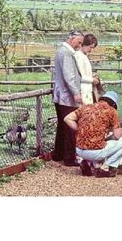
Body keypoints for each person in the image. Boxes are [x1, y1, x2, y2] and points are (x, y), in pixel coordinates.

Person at [64, 91, 122, 177]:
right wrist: (107, 138)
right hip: (95, 152)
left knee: (96, 145)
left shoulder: (86, 107)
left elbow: (67, 118)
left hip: (79, 150)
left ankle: (87, 163)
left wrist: (80, 129)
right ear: (113, 104)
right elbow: (117, 136)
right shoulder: (112, 111)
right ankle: (106, 167)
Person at [52, 30, 84, 166]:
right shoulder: (66, 53)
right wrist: (76, 93)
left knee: (62, 126)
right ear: (71, 39)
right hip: (67, 97)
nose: (80, 45)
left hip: (60, 96)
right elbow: (69, 76)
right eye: (79, 42)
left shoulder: (62, 51)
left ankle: (58, 154)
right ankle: (69, 158)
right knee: (70, 127)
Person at [74, 33, 101, 104]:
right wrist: (92, 80)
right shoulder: (78, 56)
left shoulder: (84, 56)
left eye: (93, 48)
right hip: (82, 91)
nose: (91, 50)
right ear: (84, 44)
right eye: (90, 47)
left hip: (87, 90)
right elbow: (80, 76)